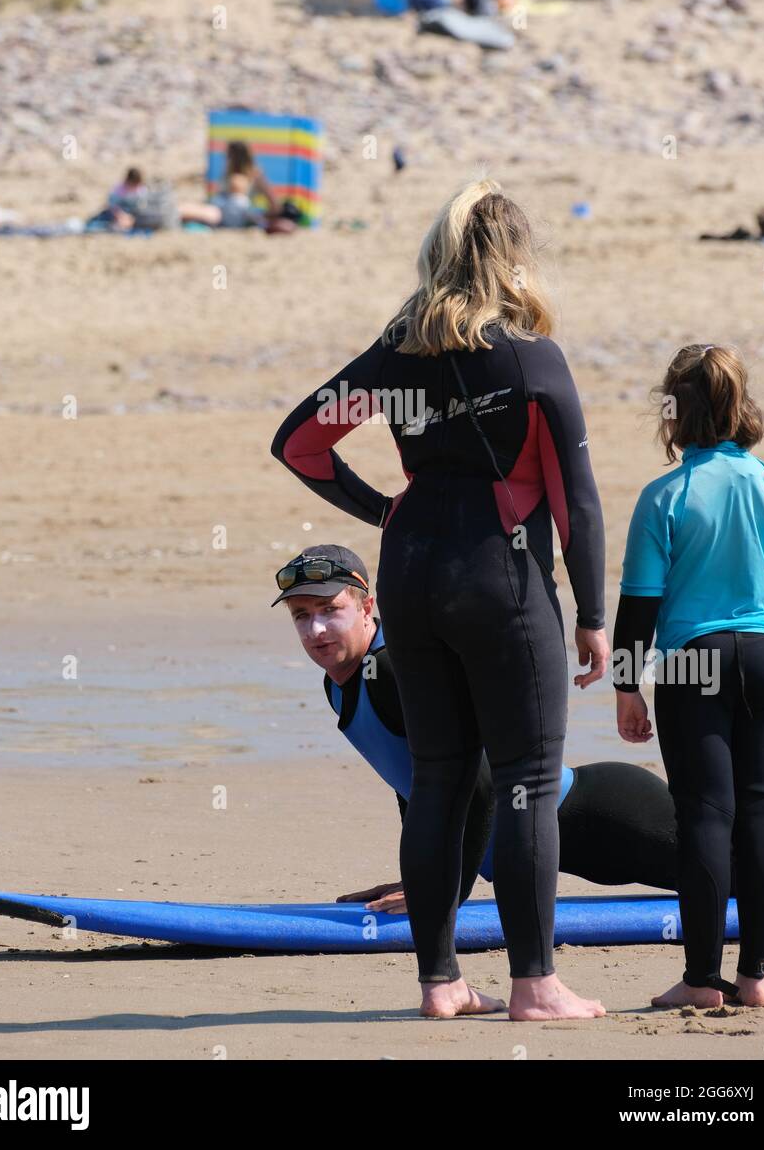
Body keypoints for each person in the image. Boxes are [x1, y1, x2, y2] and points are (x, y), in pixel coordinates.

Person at [271, 179, 609, 1022]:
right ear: (512, 262)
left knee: (438, 779)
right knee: (528, 781)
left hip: (410, 570)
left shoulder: (397, 354)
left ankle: (441, 984)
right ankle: (536, 985)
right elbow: (578, 499)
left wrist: (385, 511)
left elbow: (300, 444)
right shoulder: (533, 359)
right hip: (502, 571)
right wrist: (596, 616)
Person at [273, 544, 764, 911]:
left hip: (597, 819)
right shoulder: (342, 679)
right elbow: (417, 785)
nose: (316, 630)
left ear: (368, 606)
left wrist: (448, 894)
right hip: (578, 834)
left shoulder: (390, 672)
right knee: (752, 866)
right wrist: (423, 872)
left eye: (330, 610)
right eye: (301, 615)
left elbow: (476, 786)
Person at [613, 344, 764, 1009]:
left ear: (672, 416)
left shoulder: (664, 496)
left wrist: (625, 685)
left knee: (703, 816)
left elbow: (638, 606)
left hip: (694, 663)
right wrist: (762, 654)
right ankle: (755, 978)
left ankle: (700, 981)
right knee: (761, 811)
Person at [179, 142, 296, 234]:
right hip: (228, 211)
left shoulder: (252, 175)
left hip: (231, 213)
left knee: (197, 212)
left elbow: (273, 204)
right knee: (193, 211)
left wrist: (261, 217)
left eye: (228, 154)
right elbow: (273, 204)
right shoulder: (237, 173)